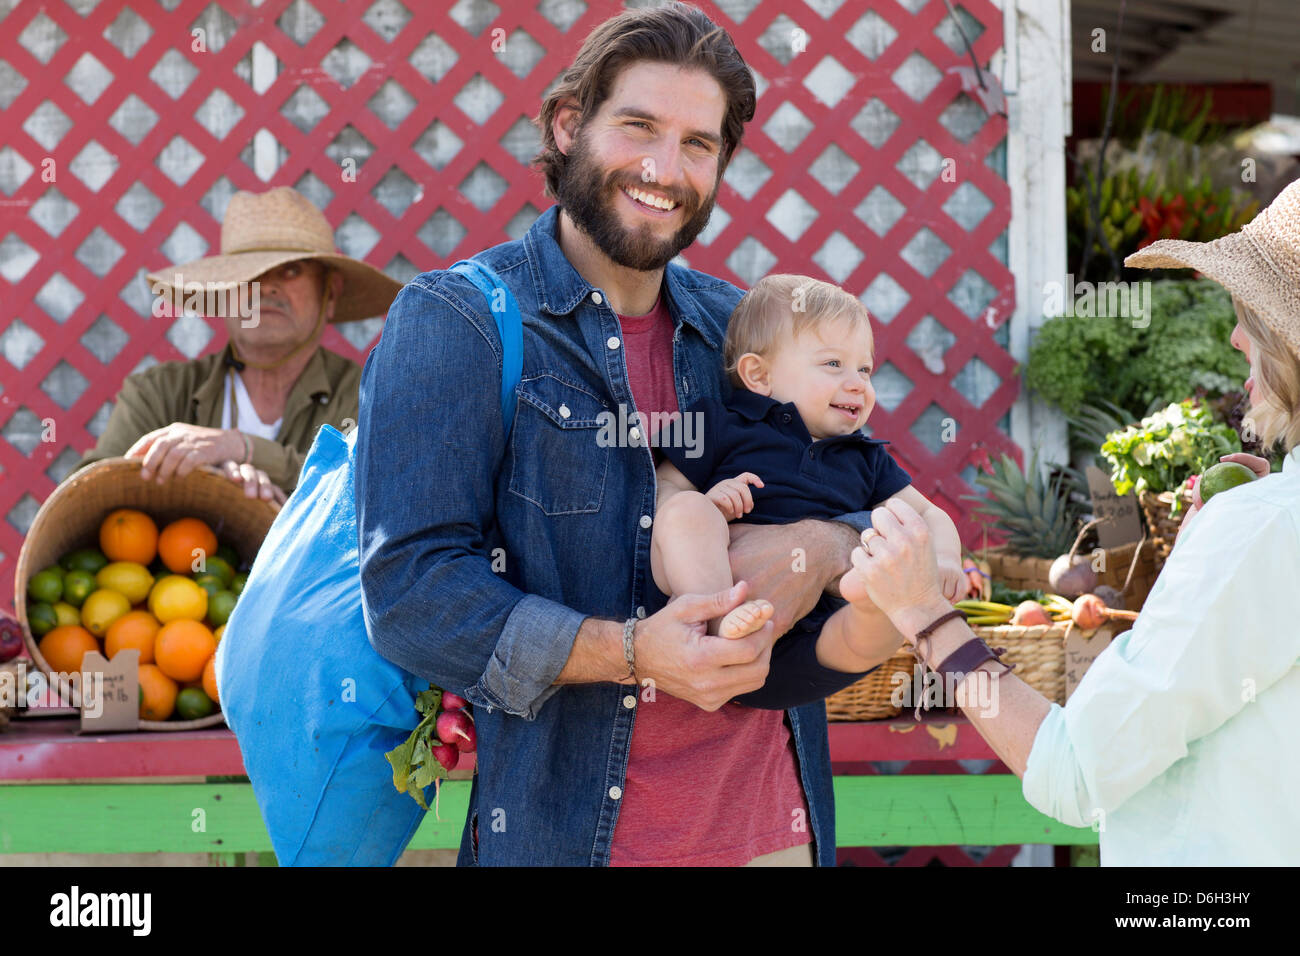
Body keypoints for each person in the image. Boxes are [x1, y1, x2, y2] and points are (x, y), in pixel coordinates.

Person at [356, 3, 913, 866]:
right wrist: (631, 652)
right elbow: (412, 593)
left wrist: (822, 547)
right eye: (638, 127)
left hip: (776, 837)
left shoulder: (745, 334)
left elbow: (867, 501)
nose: (665, 168)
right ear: (569, 124)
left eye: (699, 143)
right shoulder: (460, 322)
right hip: (574, 843)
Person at [843, 176, 1300, 865]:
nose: (1237, 338)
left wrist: (924, 616)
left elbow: (1073, 773)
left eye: (1252, 317)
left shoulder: (1265, 527)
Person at [651, 274, 966, 650]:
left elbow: (927, 515)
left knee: (879, 566)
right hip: (712, 575)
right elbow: (659, 490)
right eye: (833, 364)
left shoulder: (864, 456)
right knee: (685, 508)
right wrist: (710, 503)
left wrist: (946, 558)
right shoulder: (720, 422)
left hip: (816, 628)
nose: (857, 384)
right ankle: (716, 617)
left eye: (864, 369)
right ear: (759, 375)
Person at [74, 186, 402, 501]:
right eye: (252, 274)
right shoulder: (158, 394)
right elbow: (83, 495)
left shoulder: (369, 395)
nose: (268, 288)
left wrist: (241, 448)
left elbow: (375, 491)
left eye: (291, 271)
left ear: (329, 294)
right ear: (224, 294)